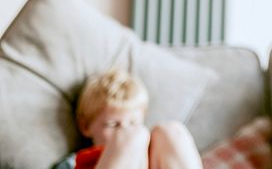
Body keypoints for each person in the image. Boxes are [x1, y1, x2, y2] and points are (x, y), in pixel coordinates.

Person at [53, 69, 202, 169]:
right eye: (113, 125)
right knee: (134, 137)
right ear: (85, 127)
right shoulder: (73, 162)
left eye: (133, 123)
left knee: (171, 131)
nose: (124, 130)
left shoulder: (155, 155)